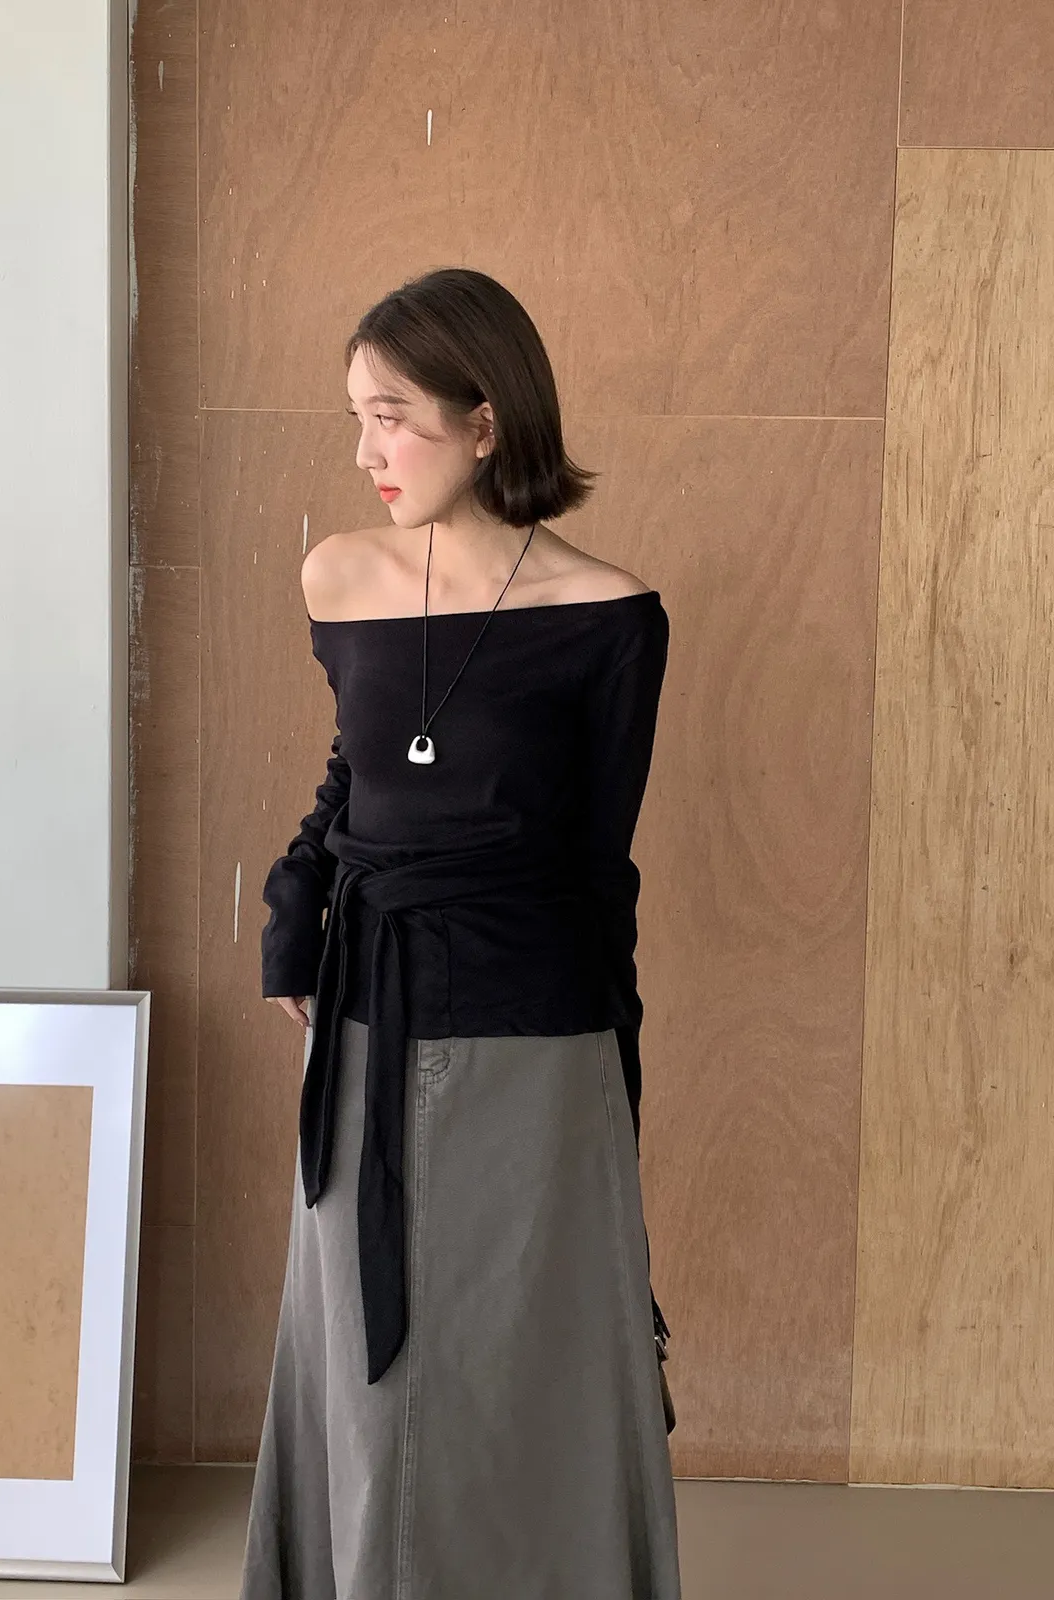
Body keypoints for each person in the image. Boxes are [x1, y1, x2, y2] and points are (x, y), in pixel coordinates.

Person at [240, 267, 680, 1599]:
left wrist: (614, 1079)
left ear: (485, 424)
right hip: (365, 1019)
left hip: (532, 1038)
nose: (367, 451)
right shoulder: (339, 576)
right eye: (357, 419)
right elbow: (357, 774)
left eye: (392, 418)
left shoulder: (612, 618)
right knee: (365, 1357)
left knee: (520, 1357)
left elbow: (597, 870)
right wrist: (296, 905)